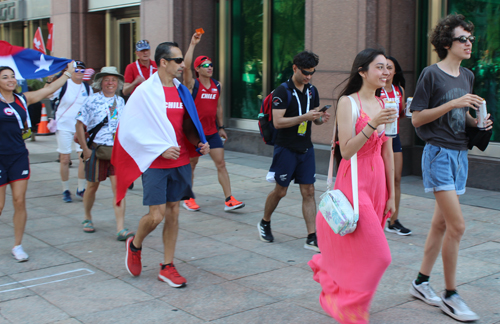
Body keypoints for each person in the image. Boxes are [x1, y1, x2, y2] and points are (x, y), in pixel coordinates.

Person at [409, 14, 492, 322]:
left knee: (440, 225)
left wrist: (477, 123)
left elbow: (460, 120)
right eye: (463, 39)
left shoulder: (467, 76)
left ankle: (420, 283)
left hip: (459, 155)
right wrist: (452, 105)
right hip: (438, 154)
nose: (469, 43)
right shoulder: (431, 74)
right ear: (447, 43)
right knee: (457, 226)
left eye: (471, 38)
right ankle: (451, 294)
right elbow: (417, 119)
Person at [309, 49, 396, 323]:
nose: (385, 72)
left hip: (377, 182)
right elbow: (346, 151)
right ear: (362, 71)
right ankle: (348, 305)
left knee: (363, 249)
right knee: (381, 256)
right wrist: (371, 125)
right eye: (379, 67)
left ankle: (349, 297)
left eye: (387, 68)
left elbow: (388, 152)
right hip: (354, 180)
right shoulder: (349, 103)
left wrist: (393, 194)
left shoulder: (384, 104)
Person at [117, 42, 209, 288]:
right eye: (178, 60)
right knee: (156, 216)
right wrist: (158, 148)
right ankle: (135, 244)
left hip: (180, 160)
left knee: (174, 213)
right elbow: (129, 130)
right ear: (163, 63)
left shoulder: (182, 91)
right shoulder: (145, 92)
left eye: (182, 60)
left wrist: (199, 142)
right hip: (155, 162)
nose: (182, 64)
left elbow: (187, 125)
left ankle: (167, 266)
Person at [0, 62, 75, 262]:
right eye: (5, 77)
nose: (10, 80)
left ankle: (17, 245)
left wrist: (68, 73)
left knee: (19, 200)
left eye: (12, 76)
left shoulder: (22, 100)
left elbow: (49, 89)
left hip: (18, 156)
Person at [257, 51, 330, 252]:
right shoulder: (283, 91)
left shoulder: (311, 90)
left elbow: (313, 117)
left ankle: (311, 236)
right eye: (305, 72)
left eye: (312, 73)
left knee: (309, 191)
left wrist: (319, 118)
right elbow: (278, 122)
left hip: (305, 148)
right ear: (295, 68)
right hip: (286, 148)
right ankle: (265, 221)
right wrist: (305, 117)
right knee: (281, 190)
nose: (308, 76)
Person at [182, 31, 245, 212]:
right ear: (198, 69)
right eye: (205, 65)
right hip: (195, 133)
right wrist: (193, 44)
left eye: (211, 65)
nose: (210, 67)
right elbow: (185, 67)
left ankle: (229, 199)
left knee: (221, 164)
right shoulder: (192, 84)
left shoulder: (218, 85)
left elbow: (218, 107)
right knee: (192, 165)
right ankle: (188, 198)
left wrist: (221, 127)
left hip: (211, 131)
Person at [75, 67, 134, 241]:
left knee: (119, 189)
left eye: (114, 80)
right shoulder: (91, 100)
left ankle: (120, 228)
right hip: (96, 149)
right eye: (107, 80)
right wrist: (85, 149)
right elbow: (79, 125)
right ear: (101, 82)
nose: (110, 83)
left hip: (116, 152)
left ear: (118, 83)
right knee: (92, 186)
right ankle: (87, 217)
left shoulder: (121, 101)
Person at [49, 60, 92, 203]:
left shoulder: (87, 87)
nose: (79, 72)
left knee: (83, 158)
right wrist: (50, 80)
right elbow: (48, 93)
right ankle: (65, 189)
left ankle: (81, 188)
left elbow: (90, 107)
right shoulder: (64, 84)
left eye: (82, 70)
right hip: (64, 126)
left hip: (80, 128)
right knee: (65, 159)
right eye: (76, 69)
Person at [378, 56, 412, 236]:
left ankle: (393, 220)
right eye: (383, 67)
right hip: (378, 137)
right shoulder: (376, 90)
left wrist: (408, 110)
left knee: (396, 178)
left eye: (389, 67)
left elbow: (401, 115)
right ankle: (378, 217)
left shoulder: (399, 90)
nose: (386, 71)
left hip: (394, 136)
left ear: (394, 71)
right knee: (380, 178)